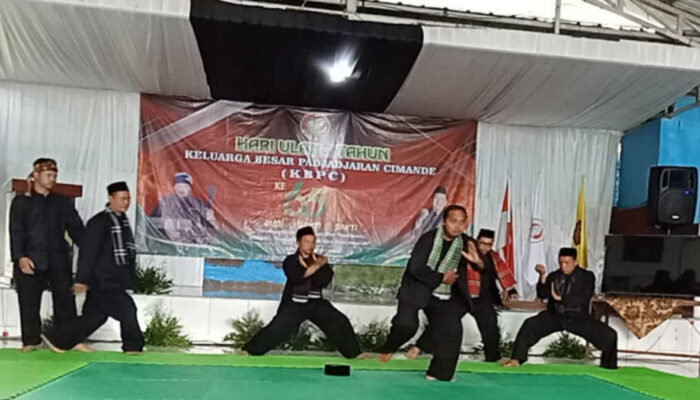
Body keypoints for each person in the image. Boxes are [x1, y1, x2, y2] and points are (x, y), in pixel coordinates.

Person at [378, 205, 481, 381]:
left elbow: (484, 266)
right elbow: (415, 268)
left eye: (461, 222)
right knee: (406, 326)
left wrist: (478, 262)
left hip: (444, 294)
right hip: (417, 289)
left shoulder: (466, 243)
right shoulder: (428, 239)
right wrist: (441, 278)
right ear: (444, 222)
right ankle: (389, 348)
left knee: (451, 329)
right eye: (453, 221)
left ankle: (439, 373)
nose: (457, 226)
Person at [42, 182, 144, 354]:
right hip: (103, 280)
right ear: (111, 198)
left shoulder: (122, 222)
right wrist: (81, 279)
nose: (126, 202)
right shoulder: (98, 222)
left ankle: (58, 339)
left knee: (95, 317)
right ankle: (133, 346)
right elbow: (88, 253)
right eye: (122, 198)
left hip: (114, 279)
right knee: (127, 309)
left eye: (128, 199)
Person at [242, 226, 364, 359]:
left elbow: (323, 281)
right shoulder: (291, 260)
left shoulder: (320, 260)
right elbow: (297, 278)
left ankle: (354, 354)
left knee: (340, 321)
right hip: (294, 304)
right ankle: (250, 350)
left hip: (316, 303)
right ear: (298, 243)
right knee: (277, 328)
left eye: (313, 242)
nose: (310, 245)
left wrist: (312, 268)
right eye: (306, 241)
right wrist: (316, 266)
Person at [9, 158, 85, 352]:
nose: (52, 179)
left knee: (65, 301)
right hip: (30, 258)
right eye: (48, 175)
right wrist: (20, 257)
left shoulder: (62, 202)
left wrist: (91, 249)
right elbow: (16, 231)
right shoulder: (21, 202)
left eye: (54, 175)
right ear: (36, 175)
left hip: (58, 259)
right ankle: (31, 341)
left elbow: (76, 230)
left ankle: (67, 340)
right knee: (29, 301)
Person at [408, 229, 517, 362]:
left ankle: (493, 358)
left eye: (489, 244)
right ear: (477, 241)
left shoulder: (494, 258)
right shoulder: (463, 253)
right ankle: (418, 348)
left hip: (482, 299)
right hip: (461, 297)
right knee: (443, 322)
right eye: (482, 243)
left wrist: (511, 290)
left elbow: (503, 272)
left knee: (491, 328)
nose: (485, 247)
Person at [502, 248, 617, 369]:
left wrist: (561, 298)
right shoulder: (554, 276)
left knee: (610, 335)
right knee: (529, 325)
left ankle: (608, 366)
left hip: (578, 317)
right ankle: (516, 359)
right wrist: (542, 276)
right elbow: (542, 295)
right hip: (555, 315)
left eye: (567, 263)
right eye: (561, 262)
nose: (563, 266)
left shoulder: (587, 276)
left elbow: (584, 298)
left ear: (575, 261)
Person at [149, 172, 215, 244]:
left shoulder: (197, 203)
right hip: (169, 242)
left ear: (189, 189)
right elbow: (152, 222)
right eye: (179, 186)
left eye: (185, 187)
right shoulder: (166, 202)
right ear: (174, 188)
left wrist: (210, 219)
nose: (181, 190)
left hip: (194, 242)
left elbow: (207, 224)